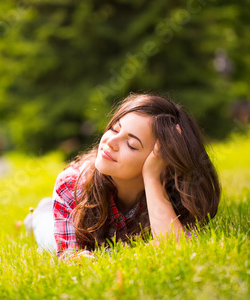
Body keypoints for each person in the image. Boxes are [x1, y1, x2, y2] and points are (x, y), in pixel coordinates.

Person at [25, 93, 221, 260]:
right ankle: (40, 214)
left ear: (161, 161)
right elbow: (70, 258)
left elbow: (177, 251)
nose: (111, 142)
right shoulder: (71, 184)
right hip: (67, 212)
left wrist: (152, 177)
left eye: (132, 144)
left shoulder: (175, 192)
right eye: (114, 129)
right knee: (48, 238)